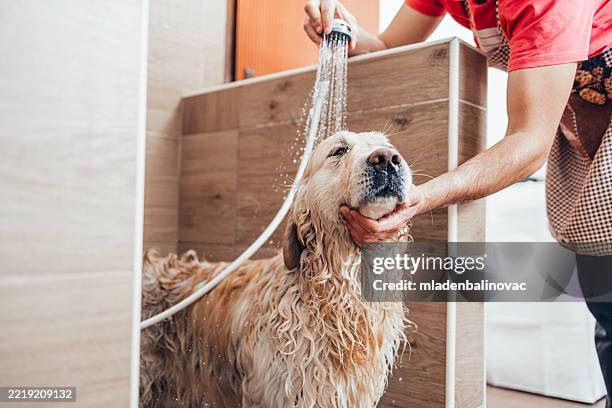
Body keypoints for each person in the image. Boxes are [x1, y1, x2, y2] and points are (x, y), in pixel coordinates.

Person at [304, 0, 612, 404]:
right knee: (604, 297)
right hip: (586, 137)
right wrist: (354, 36)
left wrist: (421, 197)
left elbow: (529, 141)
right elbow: (389, 44)